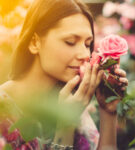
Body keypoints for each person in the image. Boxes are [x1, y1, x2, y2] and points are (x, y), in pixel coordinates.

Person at [0, 0, 128, 149]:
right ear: (35, 43)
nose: (85, 54)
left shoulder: (70, 102)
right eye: (70, 42)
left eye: (87, 44)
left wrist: (108, 112)